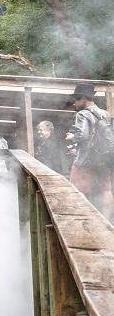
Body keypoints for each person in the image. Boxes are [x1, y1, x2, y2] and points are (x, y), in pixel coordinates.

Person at [65, 84, 114, 219]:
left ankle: (83, 220)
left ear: (83, 99)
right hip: (104, 159)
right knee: (106, 190)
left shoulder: (82, 114)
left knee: (77, 190)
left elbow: (83, 135)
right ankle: (107, 221)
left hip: (85, 161)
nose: (74, 103)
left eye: (76, 99)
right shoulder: (105, 113)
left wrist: (71, 137)